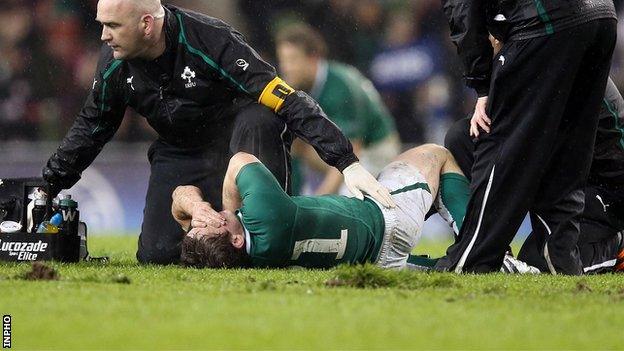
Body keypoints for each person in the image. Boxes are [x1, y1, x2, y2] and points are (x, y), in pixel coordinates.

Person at [41, 0, 395, 265]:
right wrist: (47, 187)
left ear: (147, 24)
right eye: (103, 25)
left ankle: (272, 236)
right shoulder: (114, 64)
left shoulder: (212, 41)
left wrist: (345, 161)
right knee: (157, 256)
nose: (104, 36)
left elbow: (284, 98)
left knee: (260, 115)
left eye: (113, 26)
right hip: (180, 150)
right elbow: (92, 127)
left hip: (240, 143)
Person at [436, 0, 617, 274]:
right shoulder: (560, 65)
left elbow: (462, 7)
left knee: (497, 143)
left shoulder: (540, 57)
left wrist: (482, 83)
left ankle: (471, 260)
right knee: (468, 134)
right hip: (599, 14)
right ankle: (560, 257)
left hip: (608, 195)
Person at [174, 145, 470, 269]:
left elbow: (179, 198)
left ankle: (457, 264)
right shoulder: (267, 216)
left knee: (443, 270)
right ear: (236, 239)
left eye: (196, 225)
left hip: (375, 263)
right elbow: (240, 159)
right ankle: (480, 247)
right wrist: (229, 205)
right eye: (210, 222)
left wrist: (196, 207)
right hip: (386, 220)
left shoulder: (232, 255)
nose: (205, 218)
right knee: (437, 155)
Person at [446, 77, 624, 274]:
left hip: (604, 187)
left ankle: (617, 247)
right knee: (465, 136)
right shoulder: (512, 60)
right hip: (553, 169)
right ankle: (487, 248)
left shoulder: (570, 61)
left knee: (538, 262)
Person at [275, 24, 400, 195]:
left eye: (293, 59)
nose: (286, 68)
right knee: (291, 138)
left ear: (313, 58)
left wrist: (320, 201)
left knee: (349, 196)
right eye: (283, 60)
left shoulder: (341, 85)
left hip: (374, 150)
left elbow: (351, 152)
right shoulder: (296, 87)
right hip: (338, 151)